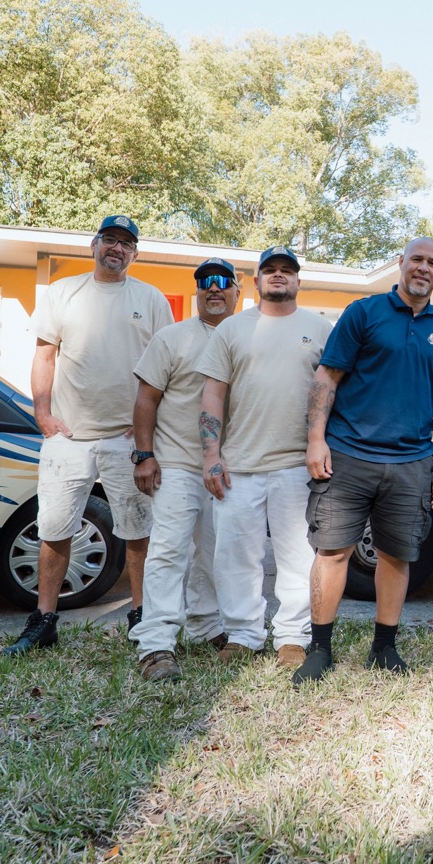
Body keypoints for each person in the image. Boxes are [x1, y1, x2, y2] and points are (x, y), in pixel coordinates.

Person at [293, 237, 433, 686]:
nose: (424, 268)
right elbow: (327, 376)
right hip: (347, 455)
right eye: (417, 260)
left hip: (411, 463)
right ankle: (320, 649)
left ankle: (384, 647)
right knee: (332, 553)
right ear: (401, 265)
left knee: (397, 556)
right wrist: (315, 439)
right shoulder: (363, 313)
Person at [4, 215, 172, 655]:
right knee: (55, 529)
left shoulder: (151, 299)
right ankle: (44, 620)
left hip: (127, 438)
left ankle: (142, 617)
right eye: (110, 240)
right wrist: (43, 414)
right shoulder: (63, 292)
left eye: (126, 244)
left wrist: (148, 441)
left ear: (135, 254)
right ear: (94, 245)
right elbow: (45, 356)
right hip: (69, 437)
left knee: (138, 532)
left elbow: (164, 373)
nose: (117, 249)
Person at [198, 246, 332, 668]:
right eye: (269, 270)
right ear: (255, 281)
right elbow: (213, 394)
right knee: (235, 556)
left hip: (297, 465)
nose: (278, 275)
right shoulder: (232, 330)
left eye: (286, 270)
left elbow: (333, 392)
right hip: (239, 465)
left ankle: (292, 636)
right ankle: (242, 633)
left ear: (298, 280)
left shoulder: (321, 329)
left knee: (297, 557)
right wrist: (211, 454)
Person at [129, 258, 241, 680]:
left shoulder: (244, 336)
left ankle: (205, 624)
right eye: (205, 283)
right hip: (175, 463)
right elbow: (146, 399)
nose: (214, 288)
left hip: (225, 468)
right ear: (196, 291)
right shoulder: (171, 337)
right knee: (169, 551)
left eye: (222, 281)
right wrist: (144, 455)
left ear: (236, 289)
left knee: (215, 554)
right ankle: (155, 644)